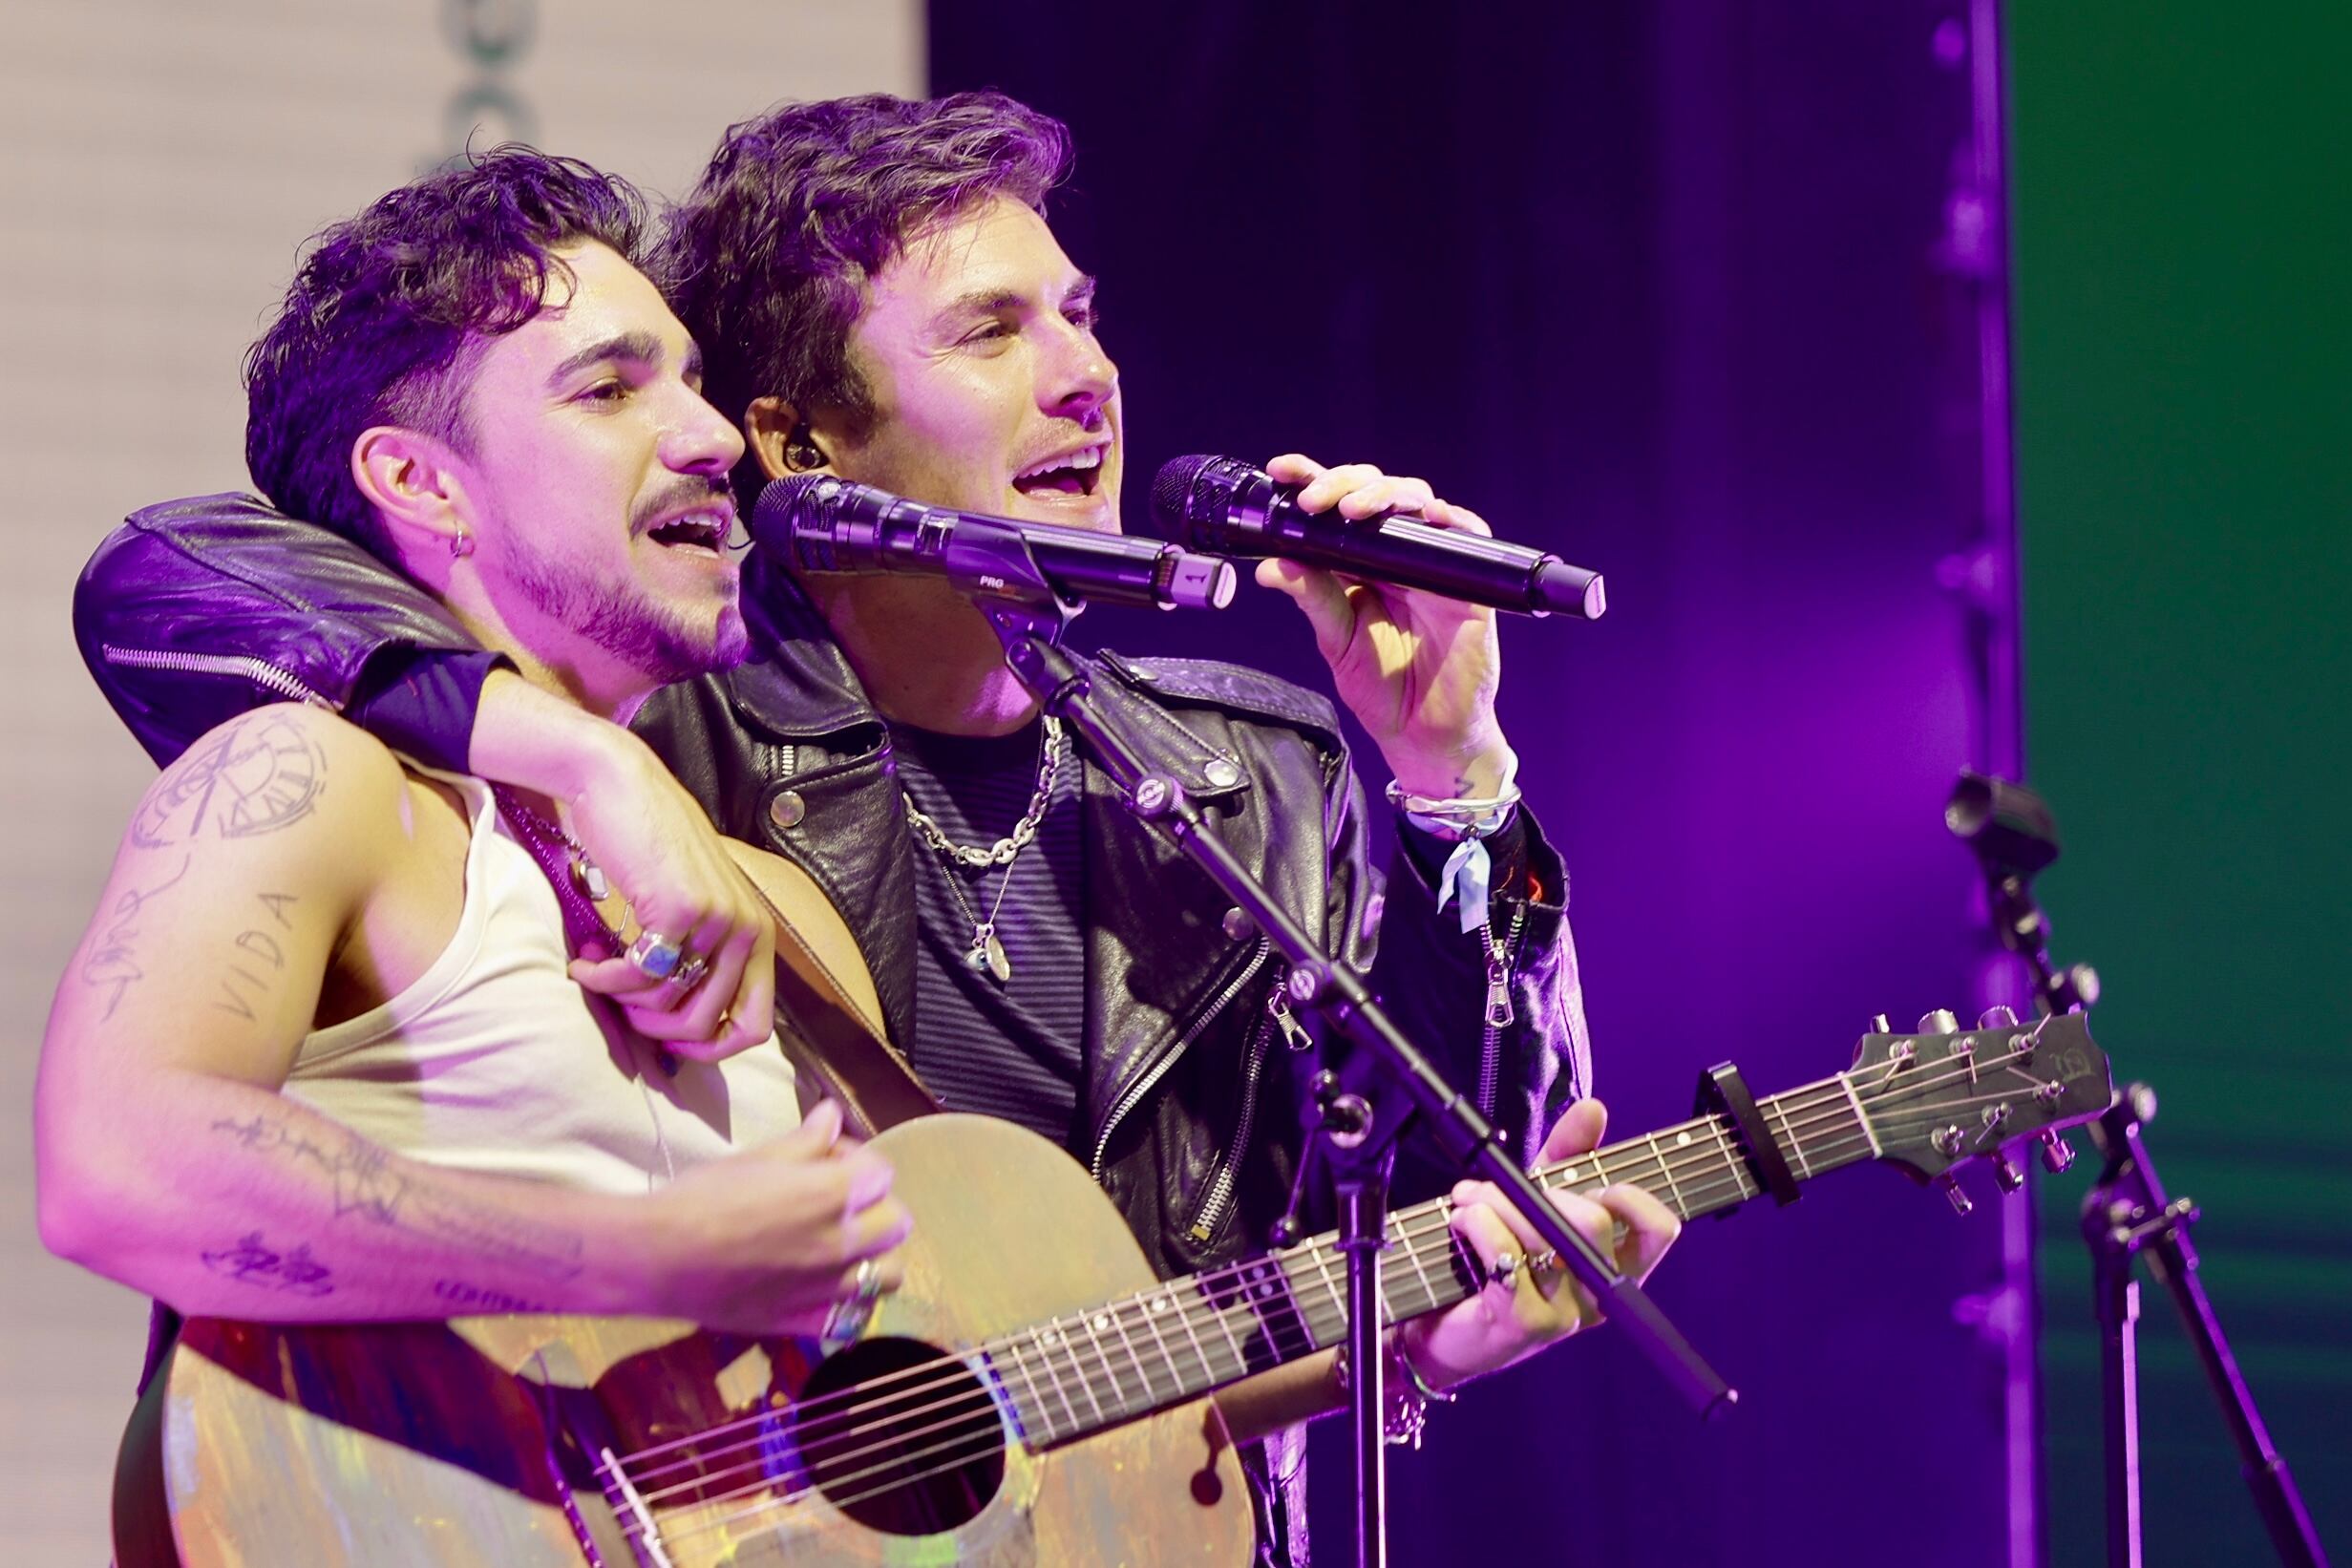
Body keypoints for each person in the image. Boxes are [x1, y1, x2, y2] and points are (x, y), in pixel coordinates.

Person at [69, 96, 1673, 1560]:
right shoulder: (343, 777)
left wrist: (1393, 1339)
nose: (695, 436)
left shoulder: (795, 898)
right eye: (614, 386)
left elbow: (936, 1399)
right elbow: (118, 1165)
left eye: (685, 381)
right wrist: (592, 776)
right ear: (421, 481)